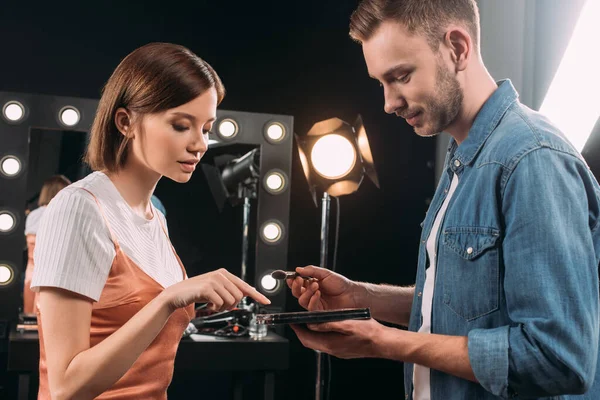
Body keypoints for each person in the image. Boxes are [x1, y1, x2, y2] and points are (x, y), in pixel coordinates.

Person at [288, 1, 600, 399]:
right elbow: (470, 307)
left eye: (400, 76)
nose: (388, 102)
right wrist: (362, 297)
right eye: (380, 83)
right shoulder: (464, 158)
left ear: (457, 48)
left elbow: (557, 358)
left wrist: (381, 342)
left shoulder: (532, 159)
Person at [30, 42, 270, 400]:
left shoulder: (154, 218)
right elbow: (65, 387)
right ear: (125, 121)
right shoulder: (78, 208)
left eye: (206, 128)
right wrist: (168, 300)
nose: (200, 144)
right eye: (181, 126)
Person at [23, 174, 71, 314]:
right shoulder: (60, 215)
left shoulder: (33, 215)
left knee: (29, 318)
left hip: (31, 271)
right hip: (50, 274)